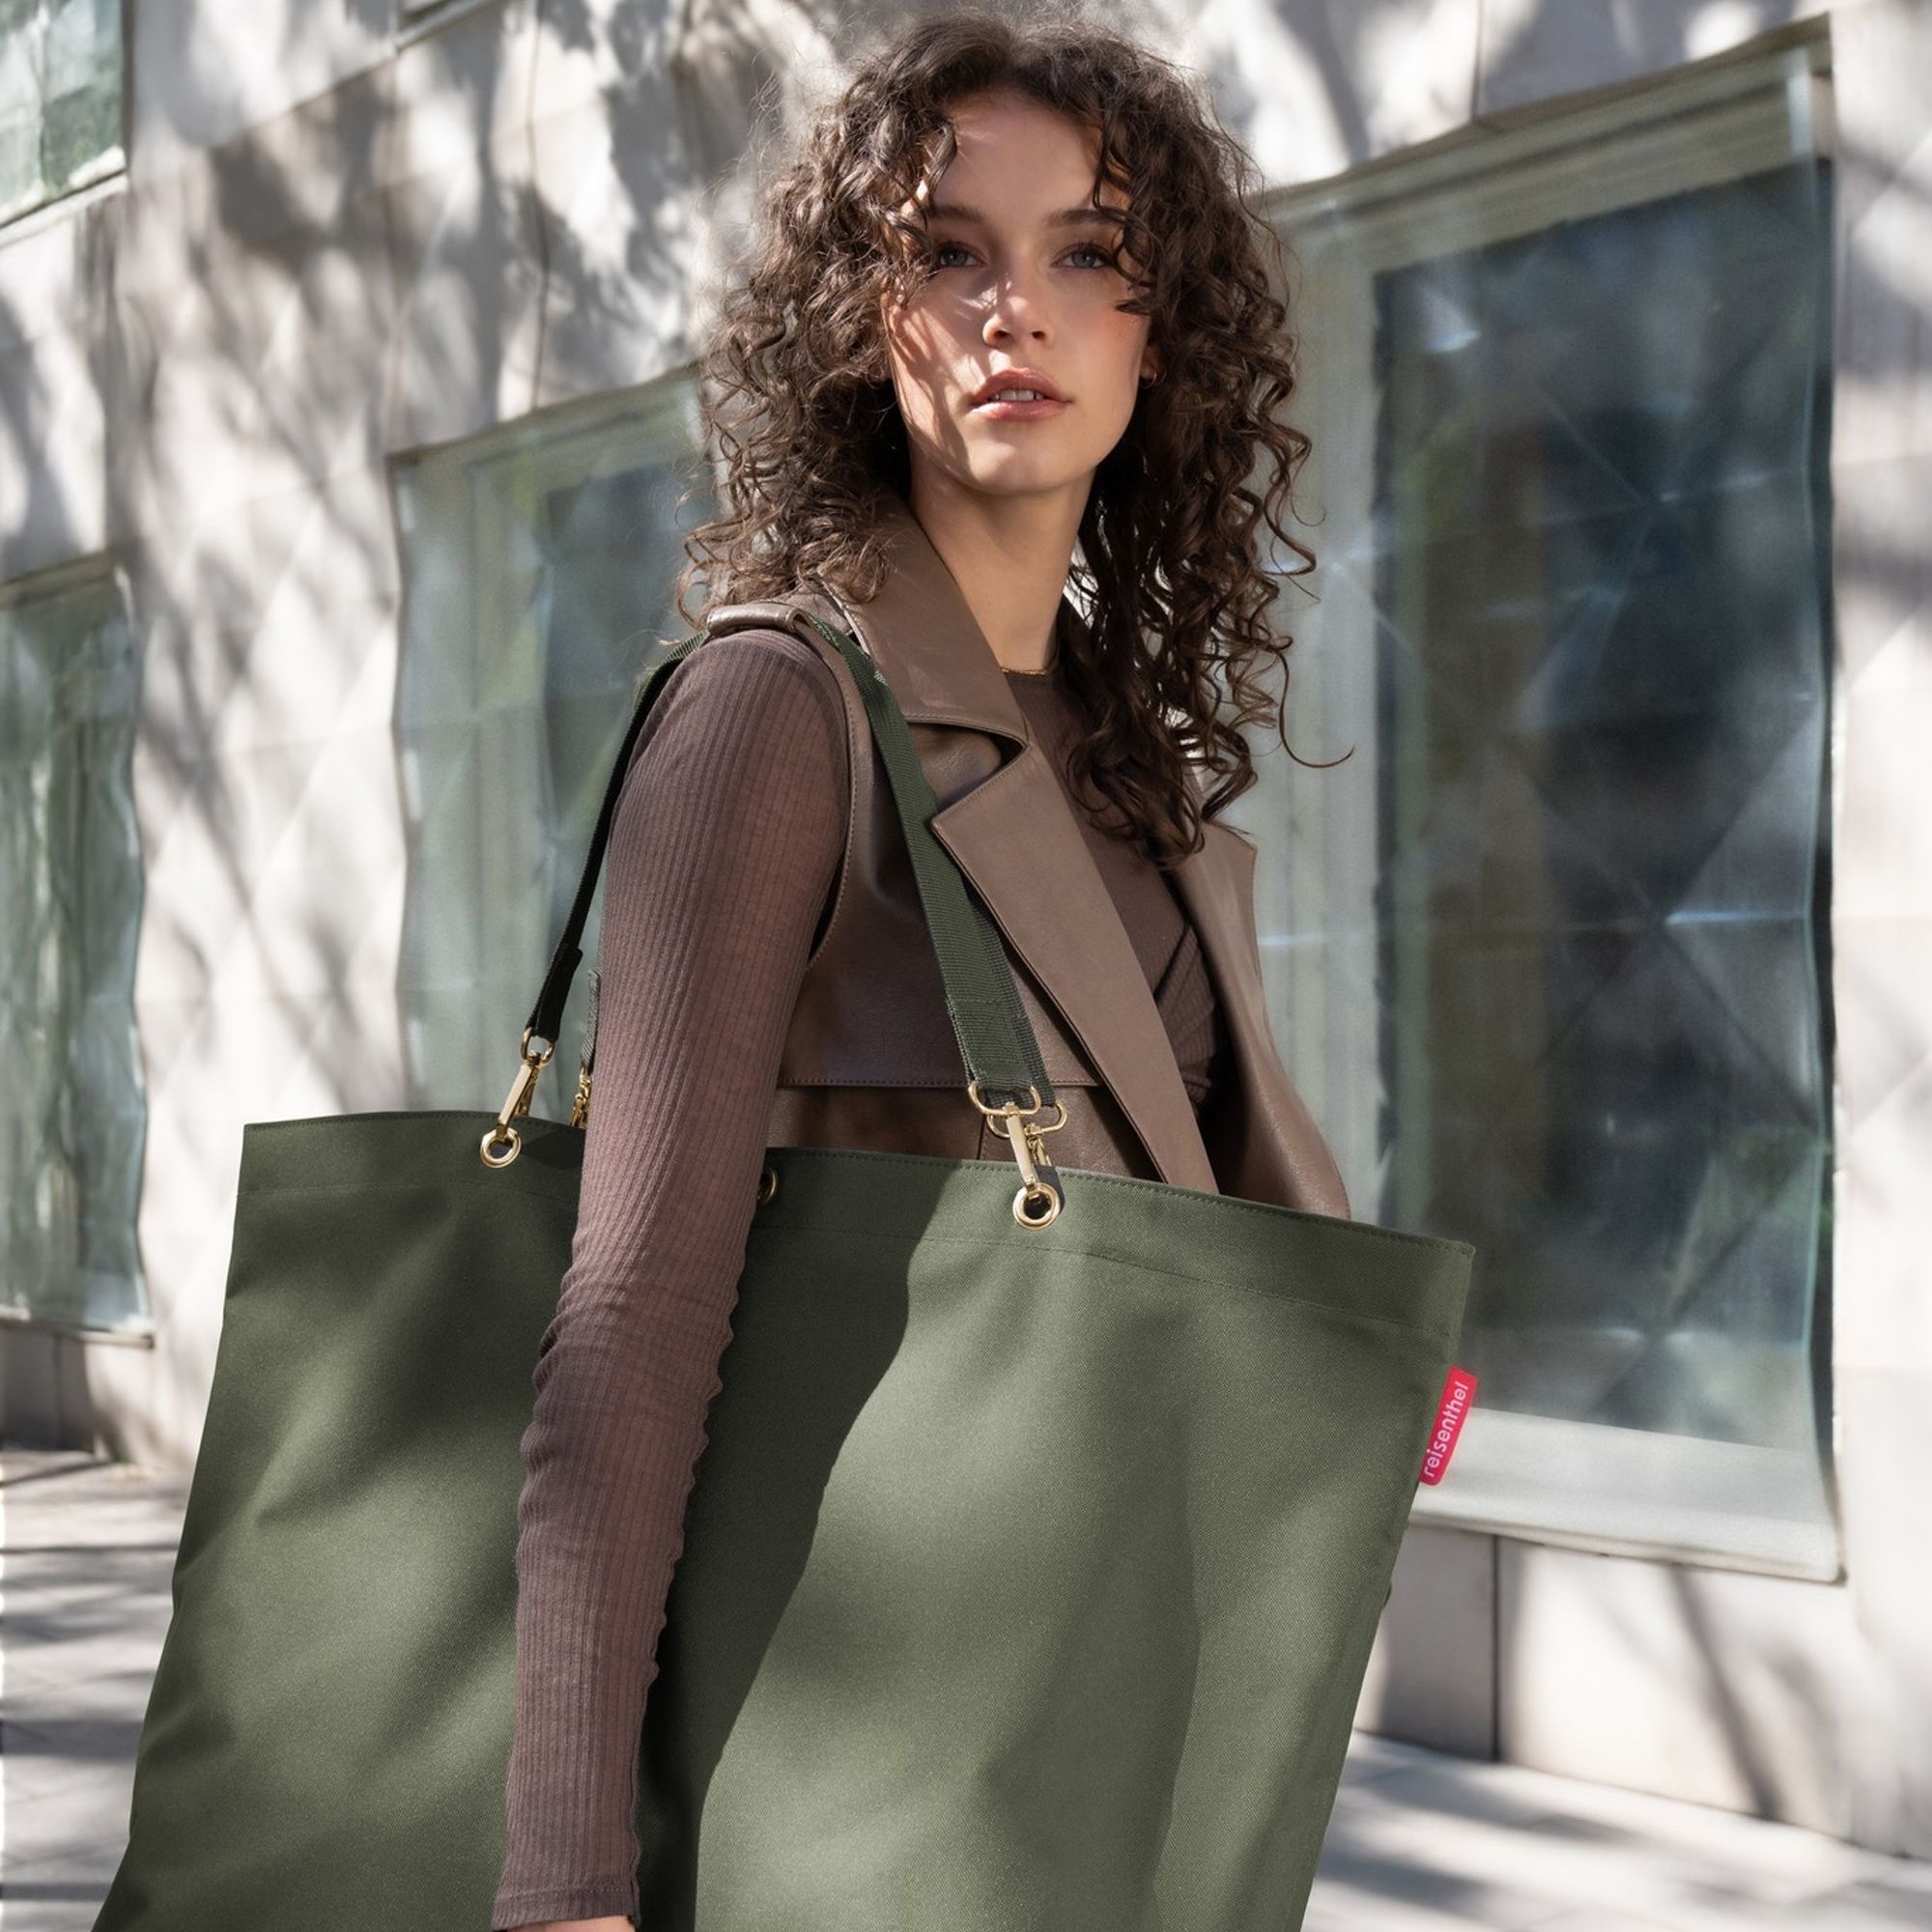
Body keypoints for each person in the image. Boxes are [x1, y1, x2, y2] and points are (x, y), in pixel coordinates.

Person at [492, 10, 1346, 1928]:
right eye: (946, 252)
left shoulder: (1126, 756)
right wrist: (563, 1876)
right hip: (855, 1758)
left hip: (1113, 1726)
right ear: (860, 321)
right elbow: (632, 1307)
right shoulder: (774, 710)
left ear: (1162, 332)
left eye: (1087, 252)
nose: (1011, 311)